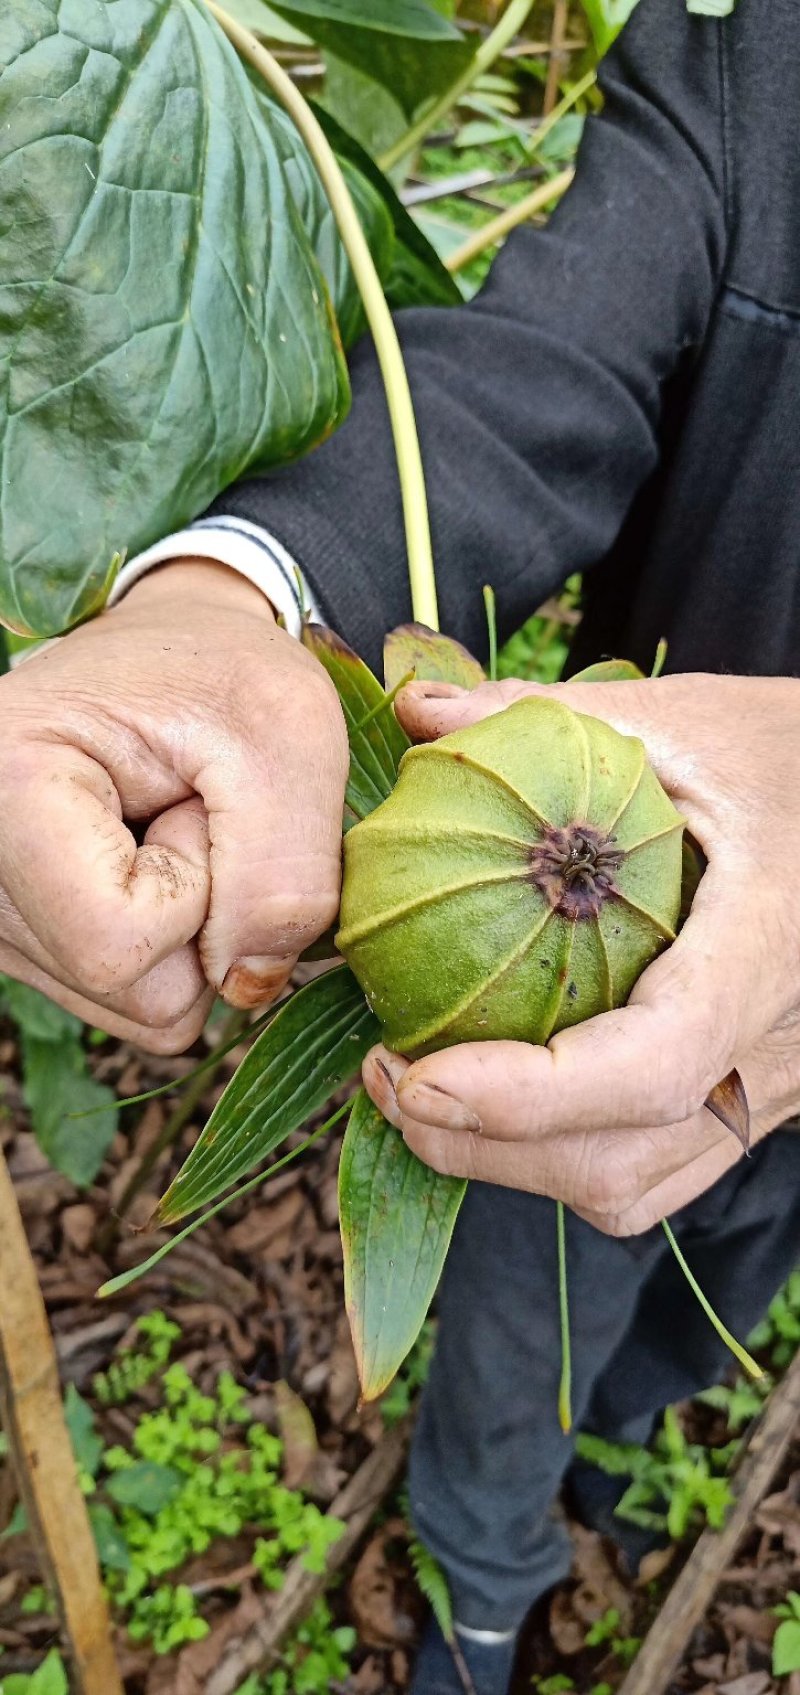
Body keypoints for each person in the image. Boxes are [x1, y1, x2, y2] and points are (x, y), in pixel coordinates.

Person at [1, 0, 799, 1689]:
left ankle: (628, 1456)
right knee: (529, 1320)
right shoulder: (759, 57)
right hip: (546, 1058)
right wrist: (235, 591)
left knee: (730, 1258)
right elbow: (529, 377)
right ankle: (486, 1587)